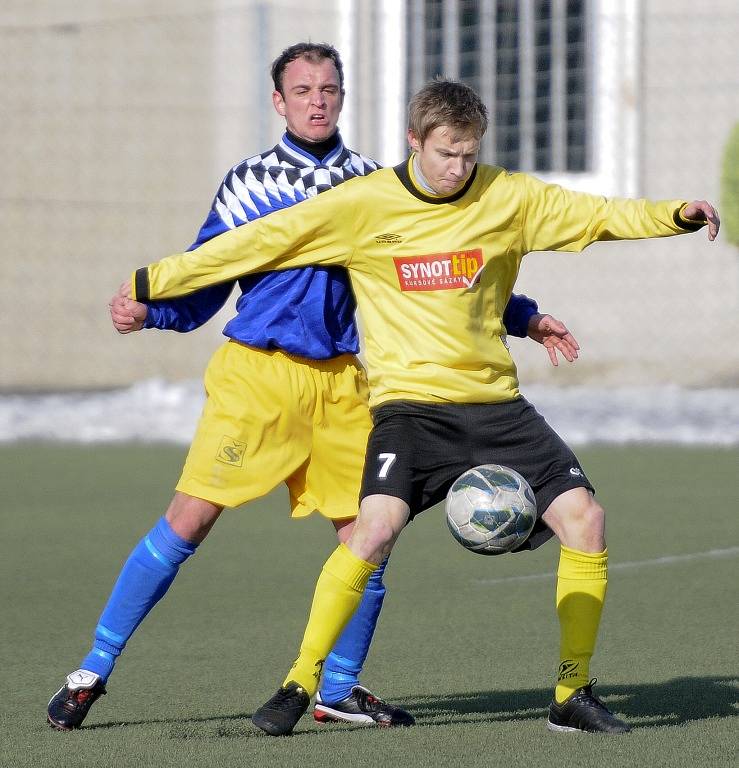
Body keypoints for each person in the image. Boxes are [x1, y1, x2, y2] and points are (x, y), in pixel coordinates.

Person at [123, 77, 719, 737]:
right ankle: (298, 683)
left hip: (496, 406)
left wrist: (673, 215)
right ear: (413, 141)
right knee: (370, 533)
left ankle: (571, 693)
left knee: (586, 520)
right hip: (410, 412)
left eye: (468, 154)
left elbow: (596, 214)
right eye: (445, 154)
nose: (457, 169)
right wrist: (157, 280)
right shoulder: (361, 204)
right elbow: (260, 241)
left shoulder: (507, 197)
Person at [47, 48, 572, 732]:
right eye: (302, 90)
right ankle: (93, 669)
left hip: (348, 384)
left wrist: (524, 316)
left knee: (368, 536)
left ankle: (340, 689)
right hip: (258, 379)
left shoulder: (375, 185)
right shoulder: (249, 183)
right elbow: (209, 273)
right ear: (279, 101)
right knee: (188, 520)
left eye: (328, 89)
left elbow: (445, 275)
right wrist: (154, 309)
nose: (316, 100)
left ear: (343, 97)